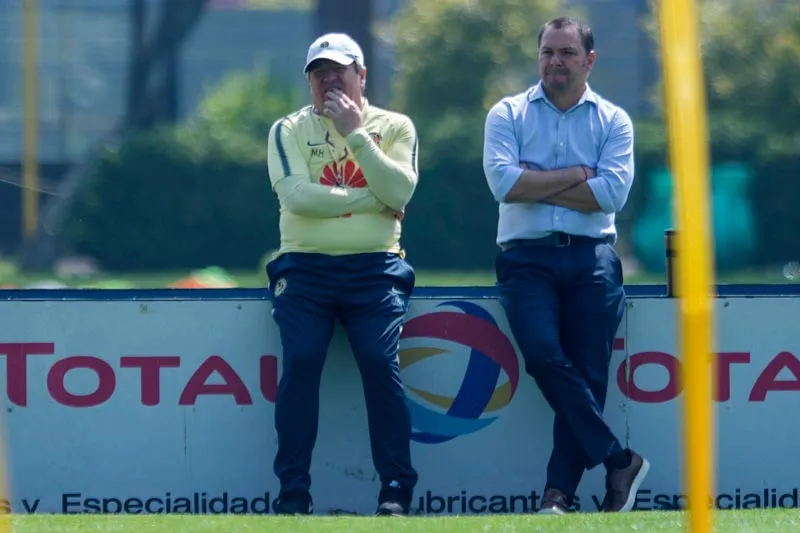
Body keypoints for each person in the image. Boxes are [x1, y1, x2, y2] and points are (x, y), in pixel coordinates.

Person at [482, 16, 650, 514]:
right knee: (541, 354)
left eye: (567, 53)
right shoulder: (506, 114)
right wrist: (579, 174)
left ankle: (559, 494)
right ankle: (618, 458)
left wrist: (539, 180)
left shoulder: (615, 120)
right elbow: (504, 186)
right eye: (547, 52)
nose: (555, 61)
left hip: (591, 257)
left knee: (588, 372)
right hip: (526, 258)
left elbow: (612, 194)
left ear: (589, 60)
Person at [265, 32, 420, 516]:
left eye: (339, 70)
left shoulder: (394, 126)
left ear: (362, 75)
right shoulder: (288, 129)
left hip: (376, 270)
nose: (329, 79)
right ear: (309, 81)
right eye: (319, 72)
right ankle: (293, 492)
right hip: (305, 269)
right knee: (303, 359)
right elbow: (296, 197)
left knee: (378, 361)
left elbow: (402, 188)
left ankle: (395, 487)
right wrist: (372, 201)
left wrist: (356, 133)